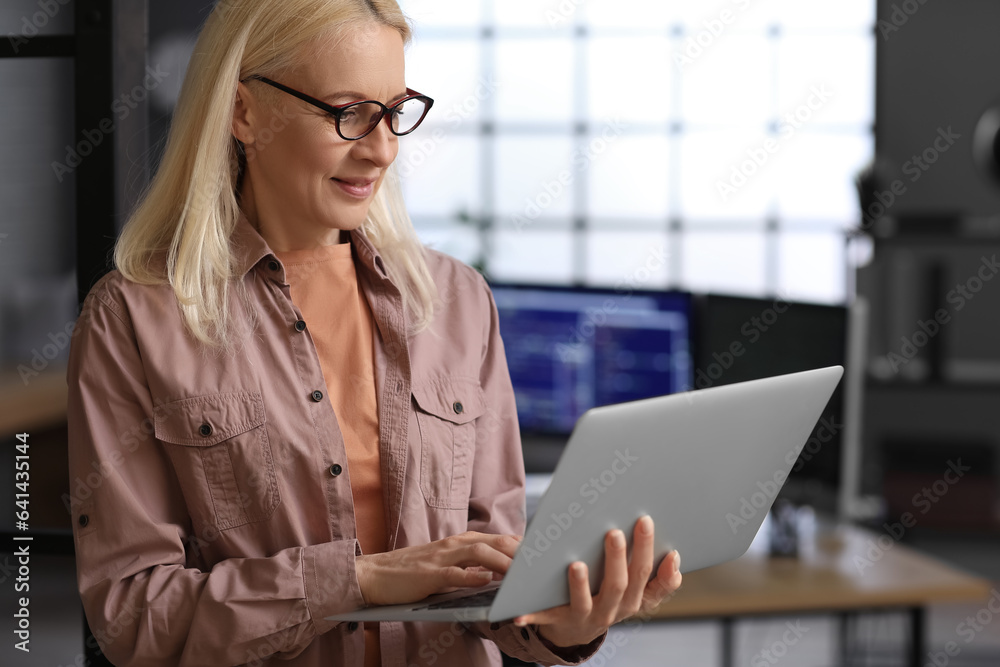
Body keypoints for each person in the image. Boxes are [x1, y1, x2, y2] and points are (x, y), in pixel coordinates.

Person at [65, 1, 683, 665]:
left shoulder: (455, 301)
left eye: (395, 112)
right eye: (348, 112)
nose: (383, 147)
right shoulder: (133, 322)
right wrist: (357, 579)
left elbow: (490, 577)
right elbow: (135, 617)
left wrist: (565, 621)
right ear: (244, 113)